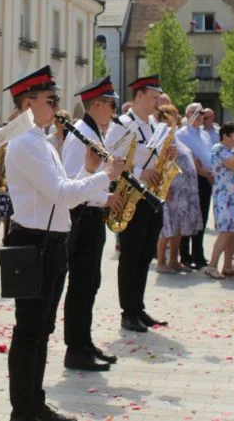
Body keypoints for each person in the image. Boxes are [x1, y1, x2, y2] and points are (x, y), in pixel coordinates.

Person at [2, 65, 122, 421]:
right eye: (50, 100)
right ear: (28, 103)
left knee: (41, 330)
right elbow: (60, 194)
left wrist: (87, 171)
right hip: (34, 242)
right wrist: (103, 175)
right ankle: (25, 409)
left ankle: (34, 404)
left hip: (50, 241)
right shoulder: (27, 143)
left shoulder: (40, 140)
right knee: (30, 332)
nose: (57, 107)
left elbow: (62, 190)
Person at [61, 76, 119, 369]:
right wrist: (101, 196)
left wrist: (106, 197)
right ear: (96, 104)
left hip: (93, 215)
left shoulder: (95, 132)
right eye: (111, 103)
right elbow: (73, 181)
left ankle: (84, 340)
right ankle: (75, 348)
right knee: (81, 284)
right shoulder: (81, 135)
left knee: (90, 283)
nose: (114, 109)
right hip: (82, 218)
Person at [104, 75, 169, 333]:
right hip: (133, 196)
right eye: (154, 98)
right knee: (130, 255)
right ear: (139, 95)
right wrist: (142, 171)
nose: (157, 103)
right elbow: (111, 158)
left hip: (152, 196)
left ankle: (138, 307)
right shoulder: (122, 124)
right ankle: (127, 312)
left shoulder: (154, 125)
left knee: (145, 255)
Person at [156, 105, 203, 273]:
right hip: (171, 188)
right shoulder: (161, 137)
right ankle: (161, 262)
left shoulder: (174, 136)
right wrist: (165, 186)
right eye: (169, 115)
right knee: (167, 228)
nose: (173, 118)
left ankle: (174, 260)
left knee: (178, 227)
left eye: (175, 115)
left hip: (183, 190)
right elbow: (161, 163)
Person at [204, 124, 234, 280]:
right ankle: (212, 265)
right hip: (225, 196)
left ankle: (228, 266)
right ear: (225, 136)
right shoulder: (219, 149)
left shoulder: (231, 151)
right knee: (226, 231)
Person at [176, 102, 213, 269]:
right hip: (190, 178)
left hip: (205, 179)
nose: (200, 117)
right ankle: (185, 255)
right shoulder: (181, 134)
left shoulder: (205, 134)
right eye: (197, 113)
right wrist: (202, 171)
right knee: (188, 215)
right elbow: (188, 157)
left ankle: (198, 254)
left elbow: (208, 155)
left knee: (202, 217)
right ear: (188, 114)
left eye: (202, 114)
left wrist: (210, 172)